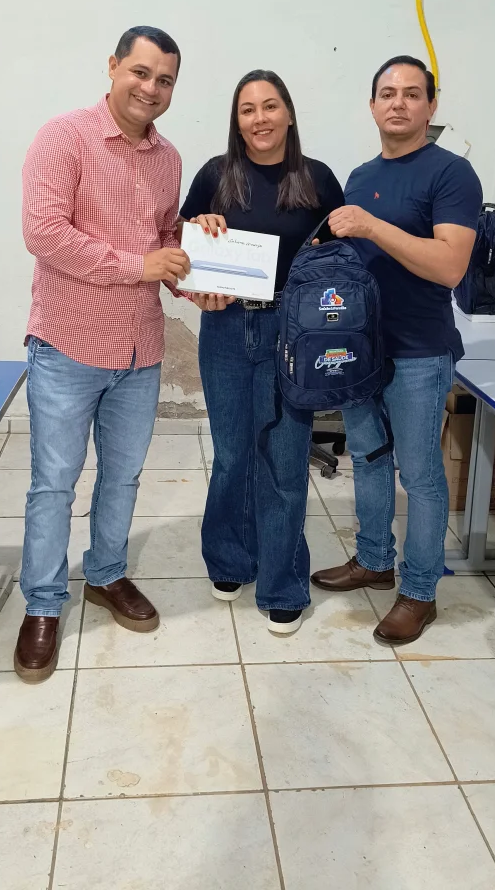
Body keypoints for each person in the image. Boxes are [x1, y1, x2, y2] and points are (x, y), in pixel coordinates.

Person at [15, 25, 189, 683]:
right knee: (54, 483)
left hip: (140, 349)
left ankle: (107, 573)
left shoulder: (168, 157)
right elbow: (43, 233)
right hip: (67, 345)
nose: (151, 88)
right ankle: (42, 603)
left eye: (165, 80)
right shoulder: (64, 136)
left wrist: (195, 264)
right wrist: (138, 265)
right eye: (140, 72)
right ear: (113, 66)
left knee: (122, 476)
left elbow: (164, 238)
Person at [312, 55, 482, 645]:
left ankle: (419, 591)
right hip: (361, 350)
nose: (399, 103)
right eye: (387, 93)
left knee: (421, 473)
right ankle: (373, 559)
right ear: (372, 105)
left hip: (419, 351)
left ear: (431, 106)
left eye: (412, 93)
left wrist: (371, 227)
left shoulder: (451, 173)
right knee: (367, 458)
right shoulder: (360, 176)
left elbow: (450, 265)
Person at [180, 69, 344, 634]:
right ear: (237, 120)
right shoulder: (215, 174)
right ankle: (230, 560)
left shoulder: (317, 179)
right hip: (225, 328)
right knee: (231, 454)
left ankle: (282, 583)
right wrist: (196, 244)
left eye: (270, 106)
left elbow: (340, 257)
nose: (260, 118)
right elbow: (181, 244)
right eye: (247, 109)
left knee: (284, 459)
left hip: (290, 331)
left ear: (289, 113)